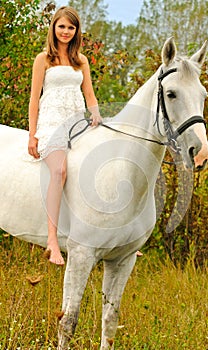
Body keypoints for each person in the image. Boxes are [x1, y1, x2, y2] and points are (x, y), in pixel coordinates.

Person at [28, 6, 102, 265]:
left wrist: (96, 116)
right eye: (62, 26)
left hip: (76, 125)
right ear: (54, 28)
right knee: (59, 171)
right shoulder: (43, 59)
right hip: (51, 125)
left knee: (102, 166)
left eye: (71, 27)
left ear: (76, 31)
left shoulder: (81, 60)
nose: (66, 31)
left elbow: (90, 95)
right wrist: (32, 135)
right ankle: (52, 240)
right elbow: (34, 99)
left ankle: (113, 234)